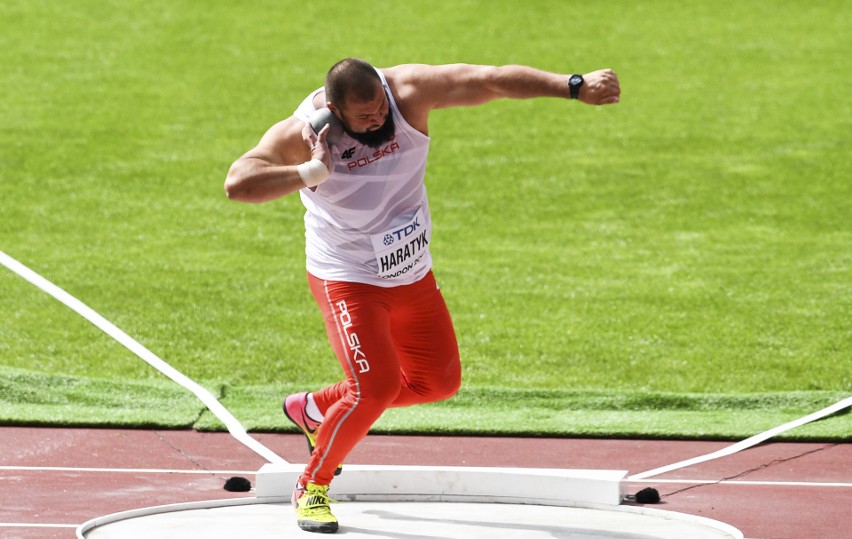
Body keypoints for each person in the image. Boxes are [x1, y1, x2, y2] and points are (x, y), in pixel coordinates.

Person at [224, 58, 620, 533]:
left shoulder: (408, 93)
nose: (377, 122)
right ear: (334, 110)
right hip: (347, 277)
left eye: (379, 111)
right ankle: (312, 486)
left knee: (437, 384)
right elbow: (238, 183)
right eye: (364, 118)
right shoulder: (303, 133)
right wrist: (310, 172)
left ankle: (315, 408)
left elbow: (488, 80)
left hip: (411, 272)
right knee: (375, 389)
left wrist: (572, 87)